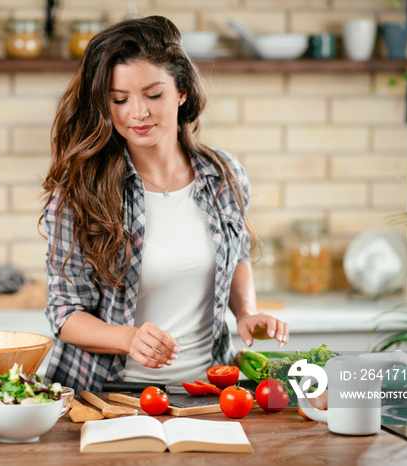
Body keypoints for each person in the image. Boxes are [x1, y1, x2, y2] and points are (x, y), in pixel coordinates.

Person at [40, 15, 289, 393]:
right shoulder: (79, 193)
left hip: (209, 393)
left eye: (153, 95)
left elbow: (236, 255)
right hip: (107, 396)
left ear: (182, 91)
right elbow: (65, 313)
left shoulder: (224, 175)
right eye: (119, 100)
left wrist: (247, 311)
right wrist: (128, 338)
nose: (137, 113)